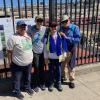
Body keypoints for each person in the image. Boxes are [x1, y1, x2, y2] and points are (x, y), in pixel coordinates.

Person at [7, 20, 33, 99]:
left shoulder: (28, 35)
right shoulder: (12, 38)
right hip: (17, 64)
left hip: (28, 63)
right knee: (17, 80)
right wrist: (10, 62)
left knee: (28, 77)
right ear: (17, 28)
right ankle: (17, 91)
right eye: (21, 27)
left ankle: (27, 88)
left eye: (24, 26)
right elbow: (9, 52)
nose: (23, 28)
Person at [44, 22, 67, 92]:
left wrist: (64, 55)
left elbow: (64, 46)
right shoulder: (47, 37)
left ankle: (58, 83)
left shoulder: (60, 35)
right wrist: (46, 59)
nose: (54, 28)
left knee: (58, 71)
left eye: (55, 26)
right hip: (51, 57)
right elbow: (45, 49)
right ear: (50, 28)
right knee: (51, 71)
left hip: (58, 57)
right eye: (52, 26)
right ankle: (51, 83)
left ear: (57, 27)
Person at [59, 15, 80, 88]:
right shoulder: (61, 28)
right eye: (63, 22)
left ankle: (71, 80)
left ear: (69, 20)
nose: (65, 23)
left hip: (71, 49)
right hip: (63, 49)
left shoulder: (75, 27)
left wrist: (66, 37)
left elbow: (77, 39)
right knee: (62, 64)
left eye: (66, 21)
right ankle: (63, 77)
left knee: (71, 65)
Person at [27, 15, 46, 92]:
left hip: (43, 52)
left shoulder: (45, 29)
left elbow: (52, 32)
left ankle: (42, 83)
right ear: (35, 21)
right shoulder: (30, 29)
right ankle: (35, 84)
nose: (39, 22)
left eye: (41, 21)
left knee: (42, 68)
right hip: (35, 52)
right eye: (38, 21)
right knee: (36, 69)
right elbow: (27, 39)